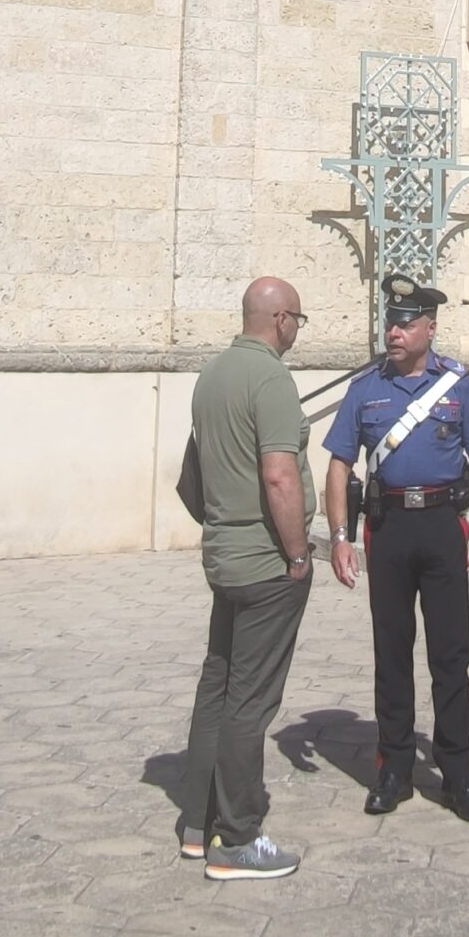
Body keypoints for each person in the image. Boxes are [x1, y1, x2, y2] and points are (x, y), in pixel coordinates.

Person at [323, 272, 469, 823]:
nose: (394, 332)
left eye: (405, 324)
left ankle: (457, 772)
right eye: (390, 322)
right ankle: (395, 767)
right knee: (391, 652)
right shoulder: (365, 389)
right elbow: (337, 466)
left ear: (429, 327)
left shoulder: (457, 385)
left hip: (443, 527)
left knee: (451, 656)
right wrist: (339, 538)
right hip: (390, 528)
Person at [178, 277, 315, 880]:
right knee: (250, 702)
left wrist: (222, 522)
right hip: (265, 564)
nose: (296, 332)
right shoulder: (271, 379)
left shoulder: (212, 376)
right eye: (298, 321)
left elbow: (190, 477)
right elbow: (280, 475)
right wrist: (296, 554)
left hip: (224, 559)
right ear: (282, 319)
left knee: (218, 684)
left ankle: (196, 822)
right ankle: (236, 838)